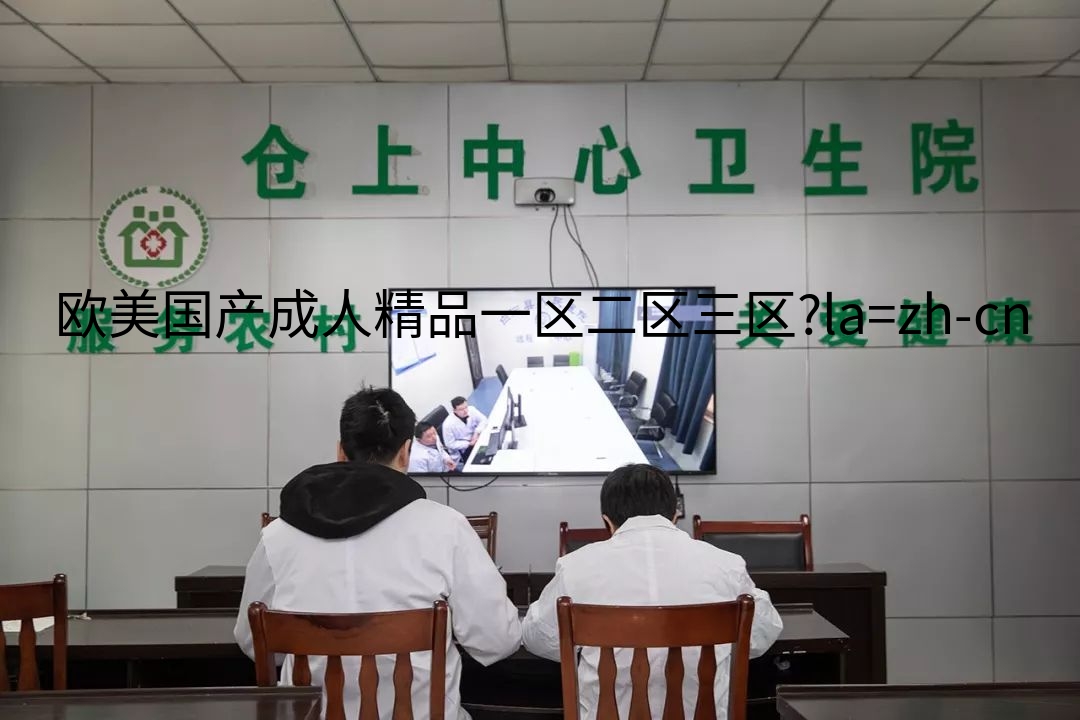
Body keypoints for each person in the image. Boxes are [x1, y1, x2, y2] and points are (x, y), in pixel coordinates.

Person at [234, 387, 521, 720]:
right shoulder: (446, 528)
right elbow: (497, 640)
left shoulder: (278, 536)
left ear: (341, 452)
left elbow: (253, 642)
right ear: (406, 452)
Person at [521, 464, 783, 720]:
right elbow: (762, 634)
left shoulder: (575, 567)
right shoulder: (727, 566)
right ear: (674, 516)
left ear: (607, 522)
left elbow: (538, 638)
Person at [440, 396, 487, 466]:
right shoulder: (447, 424)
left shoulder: (471, 409)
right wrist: (469, 443)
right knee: (483, 461)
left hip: (476, 438)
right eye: (461, 409)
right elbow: (450, 444)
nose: (465, 411)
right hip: (465, 449)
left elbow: (484, 420)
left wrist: (476, 432)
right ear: (454, 410)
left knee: (491, 447)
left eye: (466, 407)